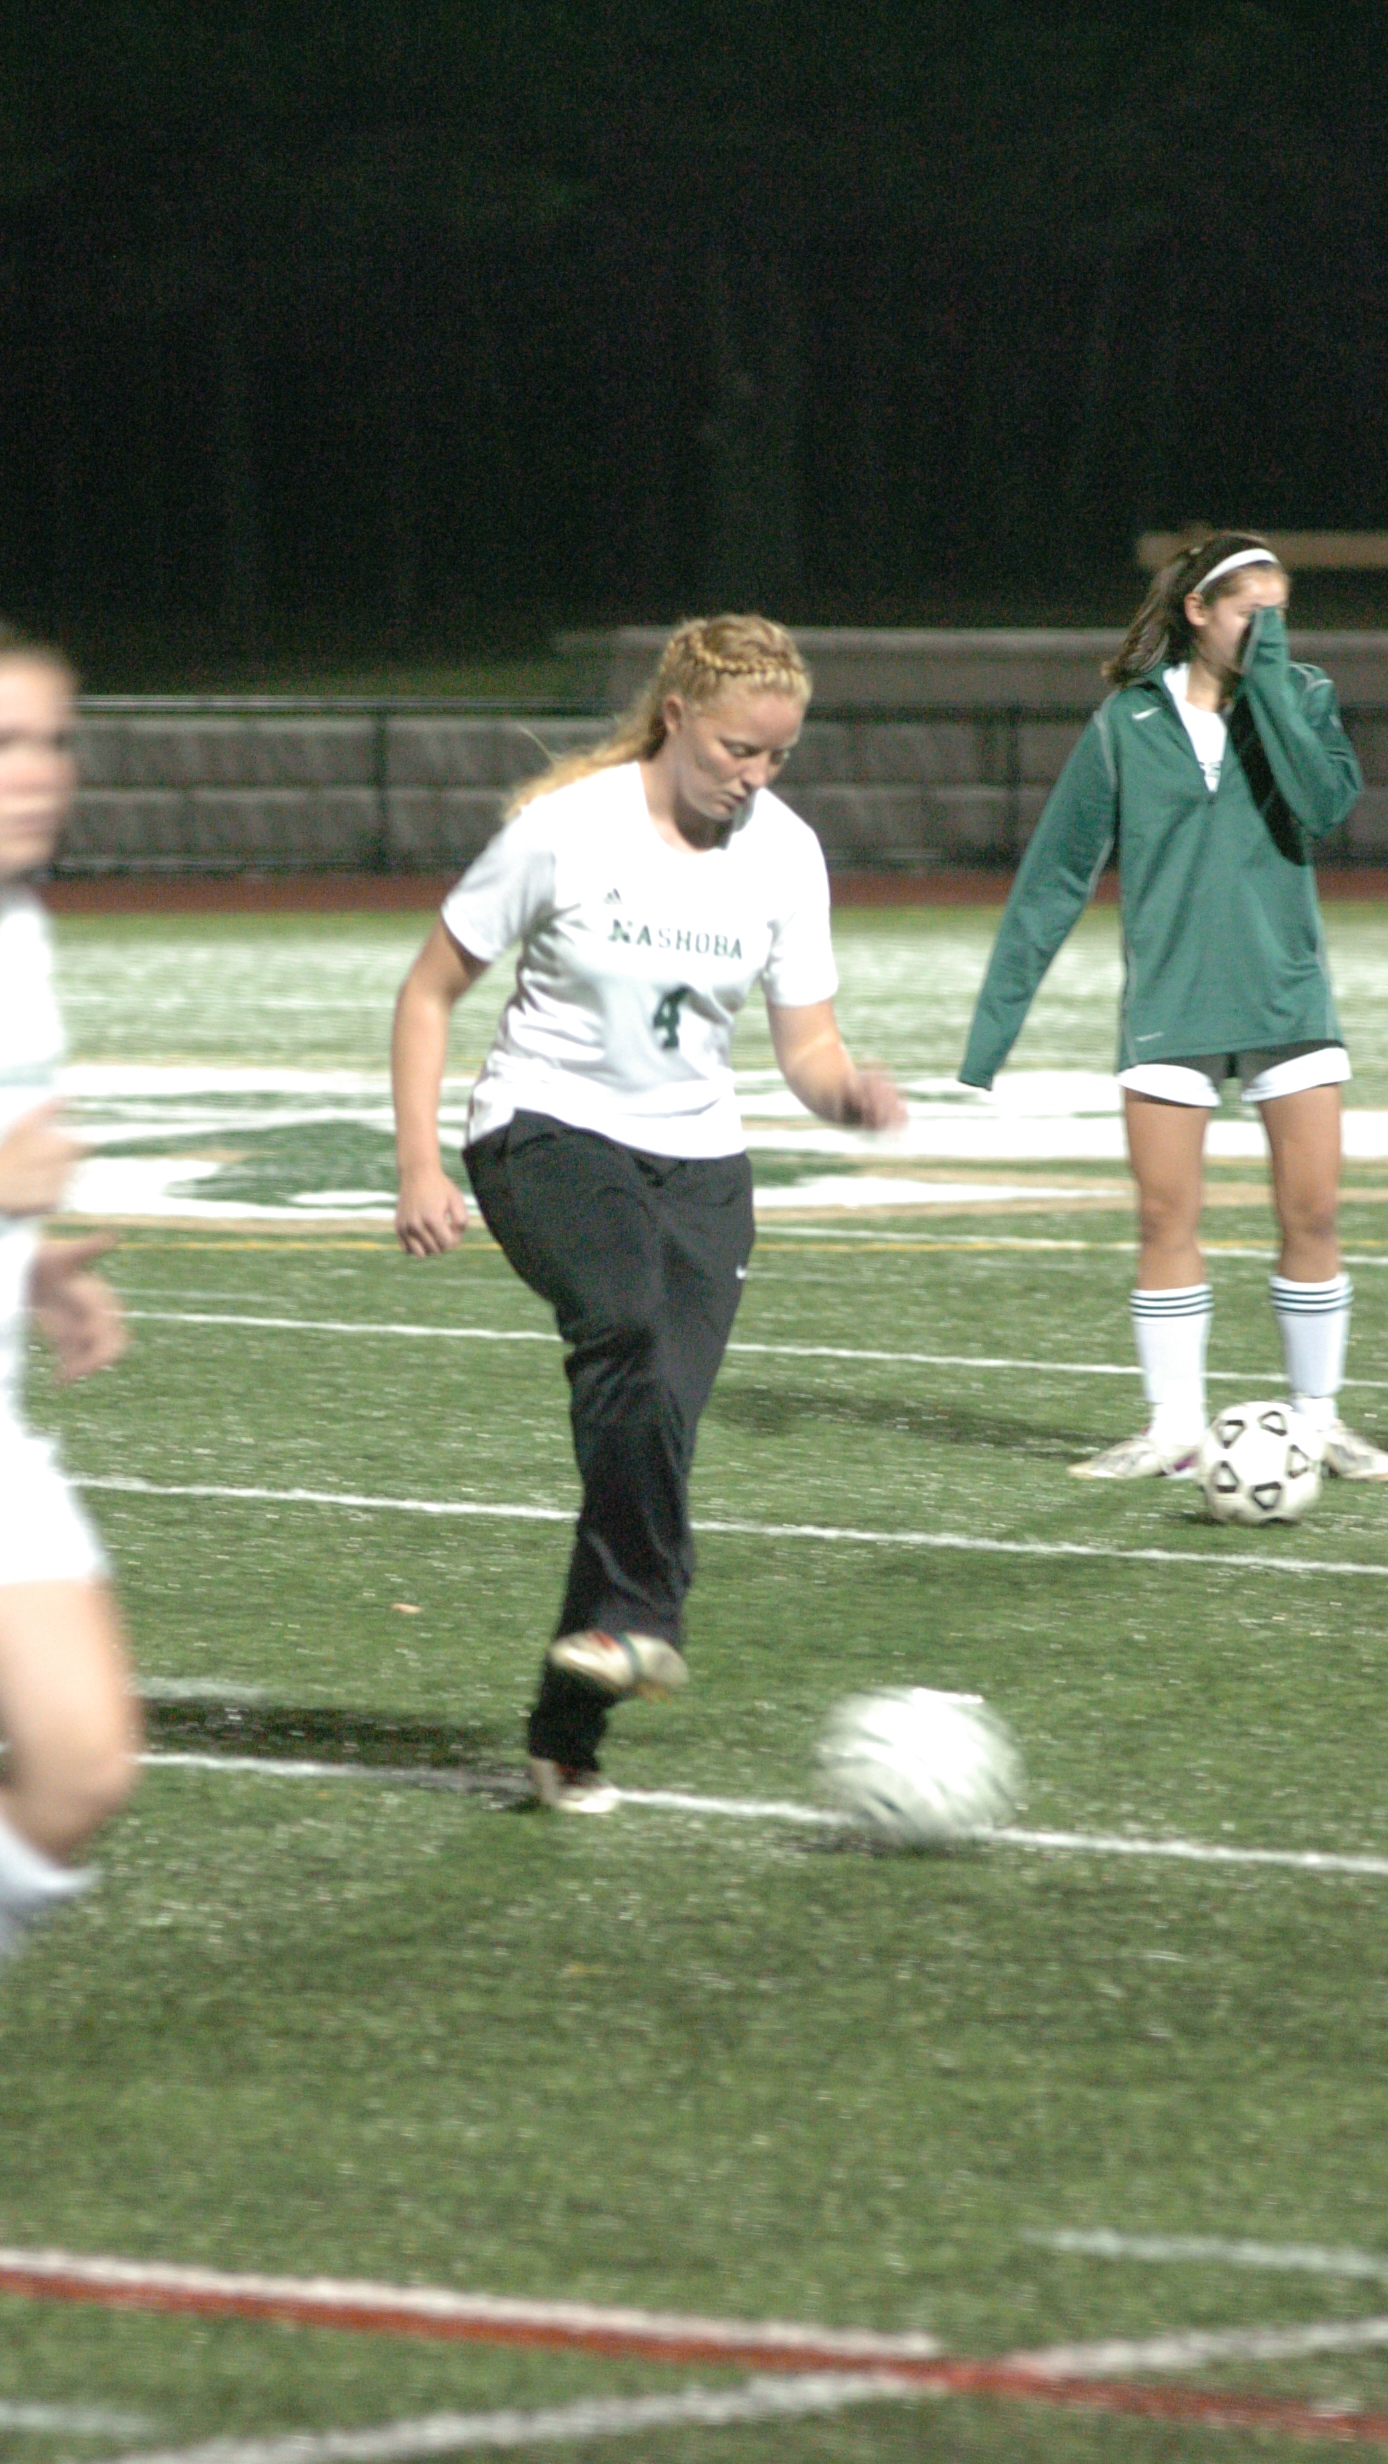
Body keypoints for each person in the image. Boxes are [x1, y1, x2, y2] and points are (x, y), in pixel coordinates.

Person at [393, 614, 904, 1811]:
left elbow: (807, 1043)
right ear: (676, 717)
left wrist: (844, 1090)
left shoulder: (787, 853)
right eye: (737, 749)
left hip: (703, 1168)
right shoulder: (564, 829)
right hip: (546, 1130)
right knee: (623, 1326)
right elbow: (428, 991)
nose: (755, 776)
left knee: (653, 1421)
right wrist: (419, 1164)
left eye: (778, 756)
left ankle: (568, 1727)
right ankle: (645, 1612)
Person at [959, 533, 1388, 1484]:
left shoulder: (1305, 696)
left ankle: (1318, 1419)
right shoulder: (1125, 722)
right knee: (1165, 1219)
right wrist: (992, 1033)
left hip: (1286, 996)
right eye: (1251, 612)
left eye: (1281, 613)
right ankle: (1173, 1430)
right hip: (1170, 1002)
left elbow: (1324, 804)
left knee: (1314, 1215)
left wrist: (1271, 685)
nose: (1269, 630)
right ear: (1199, 612)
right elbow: (1054, 878)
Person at [0, 622, 138, 1999]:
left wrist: (35, 1269)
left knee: (82, 1764)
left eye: (52, 740)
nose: (36, 771)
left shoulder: (18, 924)